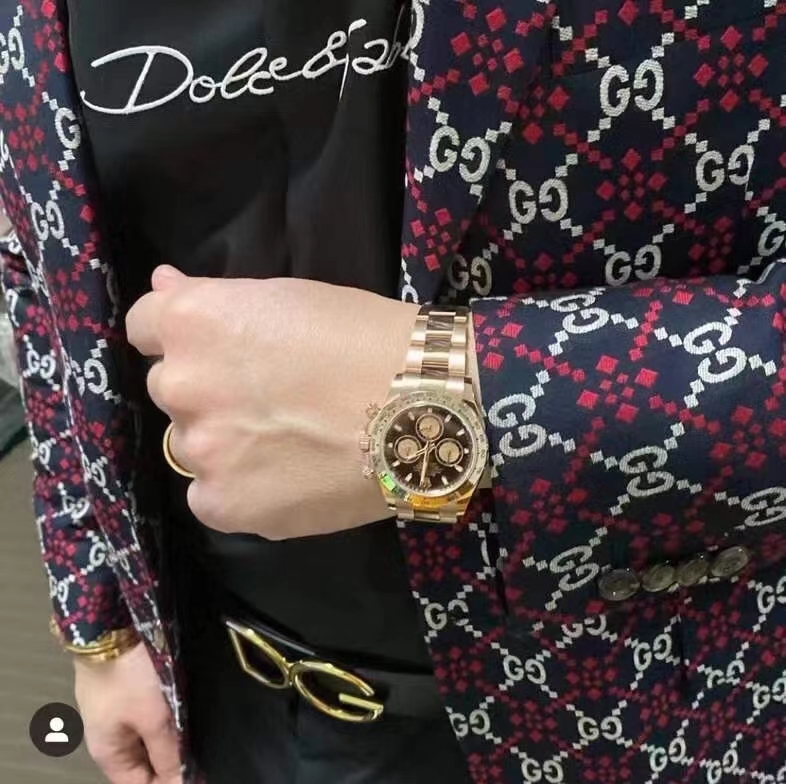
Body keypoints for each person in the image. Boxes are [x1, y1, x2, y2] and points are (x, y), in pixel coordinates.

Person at [1, 1, 785, 783]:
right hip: (218, 689)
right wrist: (101, 620)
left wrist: (454, 398)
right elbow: (41, 260)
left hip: (654, 698)